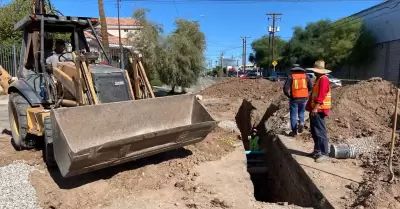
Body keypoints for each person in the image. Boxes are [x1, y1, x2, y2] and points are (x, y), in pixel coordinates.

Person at [305, 60, 332, 163]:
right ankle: (317, 151)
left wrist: (315, 107)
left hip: (319, 110)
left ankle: (324, 153)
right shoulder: (319, 79)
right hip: (315, 109)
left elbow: (321, 95)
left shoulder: (324, 79)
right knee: (315, 131)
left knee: (320, 132)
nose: (314, 72)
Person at [283, 64, 312, 137]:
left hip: (294, 98)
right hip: (304, 98)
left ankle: (294, 131)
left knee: (293, 115)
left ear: (293, 70)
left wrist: (288, 95)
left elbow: (285, 89)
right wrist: (305, 93)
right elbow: (311, 87)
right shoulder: (306, 77)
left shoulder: (291, 76)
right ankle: (301, 122)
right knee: (301, 112)